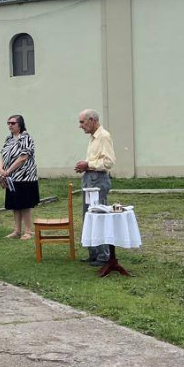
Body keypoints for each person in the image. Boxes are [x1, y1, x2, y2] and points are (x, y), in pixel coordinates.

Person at [76, 109, 116, 266]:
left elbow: (108, 162)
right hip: (90, 179)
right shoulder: (93, 138)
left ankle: (103, 255)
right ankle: (93, 252)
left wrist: (89, 164)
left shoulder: (104, 136)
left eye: (82, 122)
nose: (80, 126)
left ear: (92, 120)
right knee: (89, 216)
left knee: (98, 216)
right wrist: (85, 166)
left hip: (98, 180)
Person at [0, 114, 40, 240]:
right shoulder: (8, 139)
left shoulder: (26, 138)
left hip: (25, 177)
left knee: (24, 204)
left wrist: (8, 170)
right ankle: (16, 230)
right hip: (11, 178)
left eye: (13, 123)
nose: (10, 125)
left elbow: (23, 157)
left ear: (20, 124)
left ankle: (28, 231)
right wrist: (1, 169)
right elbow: (2, 155)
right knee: (15, 204)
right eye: (8, 123)